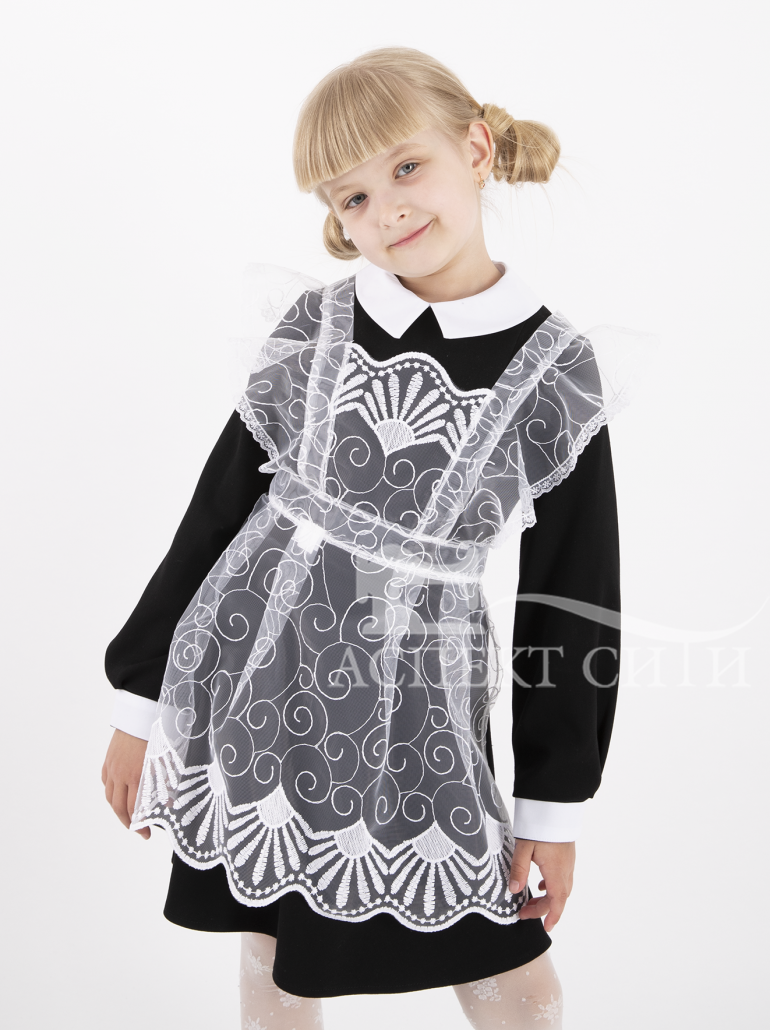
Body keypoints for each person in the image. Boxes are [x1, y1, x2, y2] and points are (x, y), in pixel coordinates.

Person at [101, 46, 637, 1028]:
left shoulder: (554, 370)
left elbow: (570, 596)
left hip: (421, 713)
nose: (386, 210)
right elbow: (217, 512)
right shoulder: (318, 325)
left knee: (512, 978)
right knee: (270, 949)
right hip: (258, 686)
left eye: (405, 167)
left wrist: (551, 808)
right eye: (352, 197)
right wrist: (139, 704)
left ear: (475, 149)